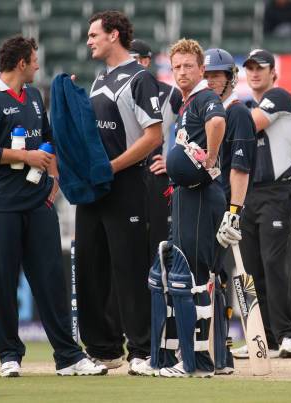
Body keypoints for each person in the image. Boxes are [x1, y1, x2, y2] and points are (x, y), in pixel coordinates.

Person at [0, 35, 107, 377]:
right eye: (34, 60)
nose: (38, 65)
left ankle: (69, 357)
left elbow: (46, 138)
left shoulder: (32, 97)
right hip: (0, 204)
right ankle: (9, 356)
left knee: (51, 280)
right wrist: (23, 156)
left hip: (38, 202)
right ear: (21, 63)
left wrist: (54, 177)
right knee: (4, 281)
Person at [75, 11, 163, 375]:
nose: (89, 40)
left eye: (94, 34)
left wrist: (111, 167)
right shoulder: (97, 80)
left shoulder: (141, 78)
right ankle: (104, 348)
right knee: (91, 268)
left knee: (128, 270)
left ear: (114, 35)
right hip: (93, 189)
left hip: (125, 184)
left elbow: (154, 137)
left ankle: (141, 351)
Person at [148, 38, 227, 378]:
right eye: (176, 66)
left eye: (188, 66)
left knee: (193, 278)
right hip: (186, 193)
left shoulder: (205, 97)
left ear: (201, 69)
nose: (181, 72)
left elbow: (217, 124)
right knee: (185, 275)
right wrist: (174, 164)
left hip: (199, 194)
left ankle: (198, 362)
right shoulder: (185, 104)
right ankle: (194, 357)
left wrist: (209, 157)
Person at [232, 49, 291, 360]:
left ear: (274, 72)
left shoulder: (280, 97)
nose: (255, 73)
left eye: (261, 68)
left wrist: (216, 120)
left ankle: (289, 336)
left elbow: (247, 125)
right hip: (247, 194)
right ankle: (261, 337)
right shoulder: (246, 107)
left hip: (276, 193)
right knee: (249, 271)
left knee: (274, 266)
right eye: (249, 68)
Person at [203, 47, 257, 375]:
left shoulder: (237, 114)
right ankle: (208, 344)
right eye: (206, 74)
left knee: (226, 278)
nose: (211, 80)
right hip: (203, 207)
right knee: (209, 278)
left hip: (226, 209)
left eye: (217, 75)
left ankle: (221, 346)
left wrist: (234, 211)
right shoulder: (201, 110)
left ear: (229, 78)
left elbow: (240, 168)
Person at [129, 38, 183, 255]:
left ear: (146, 61)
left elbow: (189, 131)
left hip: (156, 173)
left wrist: (172, 159)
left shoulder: (171, 94)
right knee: (129, 240)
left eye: (133, 59)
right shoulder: (115, 91)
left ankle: (160, 288)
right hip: (127, 174)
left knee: (159, 241)